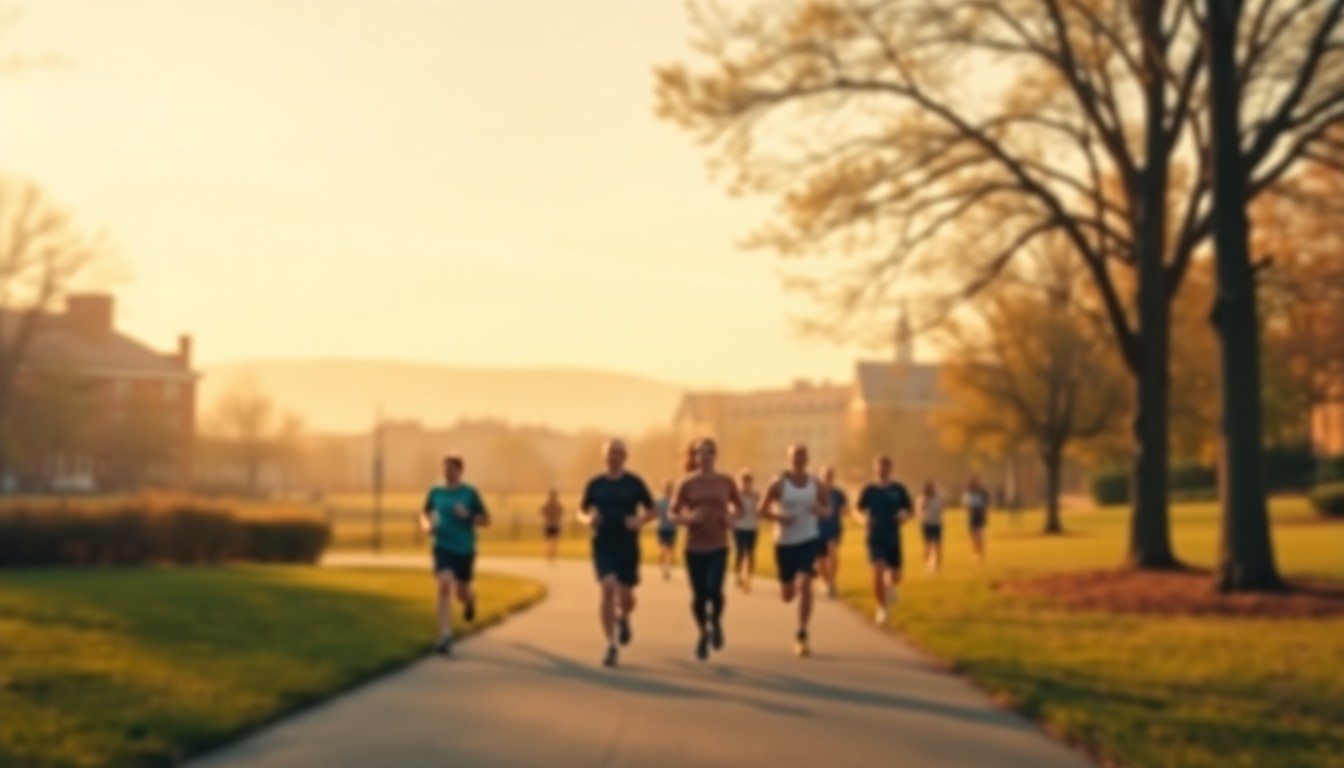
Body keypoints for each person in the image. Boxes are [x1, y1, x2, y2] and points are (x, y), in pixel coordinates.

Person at [578, 439, 657, 668]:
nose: (615, 456)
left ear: (625, 456)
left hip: (627, 545)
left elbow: (653, 510)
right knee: (607, 587)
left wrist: (639, 520)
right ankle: (611, 645)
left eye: (619, 452)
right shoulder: (595, 484)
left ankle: (624, 617)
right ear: (604, 456)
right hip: (603, 544)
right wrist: (588, 519)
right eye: (611, 452)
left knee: (626, 596)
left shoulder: (634, 483)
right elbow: (580, 511)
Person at [671, 438, 743, 660]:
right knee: (699, 596)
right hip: (694, 546)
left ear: (715, 455)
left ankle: (716, 622)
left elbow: (739, 507)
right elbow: (672, 514)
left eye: (710, 452)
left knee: (714, 590)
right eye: (700, 452)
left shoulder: (726, 481)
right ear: (694, 457)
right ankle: (703, 632)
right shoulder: (686, 483)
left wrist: (732, 518)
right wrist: (688, 518)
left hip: (718, 544)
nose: (705, 456)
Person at [757, 443, 830, 657]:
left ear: (807, 459)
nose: (799, 458)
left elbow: (828, 510)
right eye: (795, 455)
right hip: (784, 543)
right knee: (787, 595)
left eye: (802, 455)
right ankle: (794, 587)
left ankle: (802, 632)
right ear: (788, 458)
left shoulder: (816, 483)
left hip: (808, 539)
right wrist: (780, 517)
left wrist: (820, 509)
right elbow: (761, 511)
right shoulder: (778, 484)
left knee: (805, 582)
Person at [421, 455, 491, 656]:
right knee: (444, 583)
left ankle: (470, 599)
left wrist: (468, 515)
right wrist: (427, 525)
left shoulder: (470, 493)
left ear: (460, 471)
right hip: (442, 546)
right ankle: (445, 635)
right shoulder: (436, 492)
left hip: (465, 549)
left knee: (461, 593)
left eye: (452, 469)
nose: (447, 472)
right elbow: (425, 513)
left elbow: (486, 520)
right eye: (445, 469)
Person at [855, 455, 913, 625]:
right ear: (875, 468)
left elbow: (909, 509)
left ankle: (890, 586)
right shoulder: (869, 490)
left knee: (895, 576)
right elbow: (857, 510)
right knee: (878, 570)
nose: (882, 470)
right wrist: (863, 520)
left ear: (891, 468)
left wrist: (904, 515)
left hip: (893, 538)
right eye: (879, 466)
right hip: (875, 537)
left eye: (886, 466)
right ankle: (881, 608)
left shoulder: (899, 489)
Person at [817, 466, 847, 598]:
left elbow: (845, 508)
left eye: (830, 476)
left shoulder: (838, 493)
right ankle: (824, 581)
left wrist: (841, 511)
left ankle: (832, 582)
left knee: (832, 552)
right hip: (817, 530)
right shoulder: (815, 493)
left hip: (833, 528)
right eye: (825, 476)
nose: (828, 478)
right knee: (821, 560)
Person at [732, 469, 761, 593]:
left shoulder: (756, 495)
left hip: (753, 527)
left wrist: (758, 509)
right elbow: (732, 511)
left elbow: (760, 510)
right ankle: (738, 575)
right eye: (744, 481)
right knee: (740, 552)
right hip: (739, 527)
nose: (746, 484)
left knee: (751, 553)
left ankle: (748, 578)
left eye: (748, 481)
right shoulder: (736, 495)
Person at [918, 481, 945, 573]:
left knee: (937, 545)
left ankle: (936, 566)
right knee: (927, 545)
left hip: (937, 523)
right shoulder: (922, 498)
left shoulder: (937, 499)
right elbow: (920, 510)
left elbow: (941, 509)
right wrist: (924, 502)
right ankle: (926, 564)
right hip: (927, 524)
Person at [964, 476, 990, 563]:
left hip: (980, 516)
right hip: (972, 516)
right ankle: (975, 553)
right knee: (973, 536)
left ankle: (981, 553)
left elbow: (985, 506)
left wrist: (985, 515)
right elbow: (966, 506)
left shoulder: (982, 494)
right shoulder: (968, 494)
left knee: (980, 536)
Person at [655, 480, 678, 580]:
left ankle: (666, 569)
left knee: (669, 551)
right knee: (665, 549)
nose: (669, 490)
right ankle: (665, 568)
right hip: (663, 528)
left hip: (671, 528)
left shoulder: (673, 502)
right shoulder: (661, 502)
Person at [540, 488, 564, 564]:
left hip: (548, 524)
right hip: (555, 524)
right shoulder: (557, 505)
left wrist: (547, 518)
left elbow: (542, 512)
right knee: (554, 540)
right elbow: (561, 513)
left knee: (549, 540)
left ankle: (550, 554)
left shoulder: (547, 504)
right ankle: (552, 554)